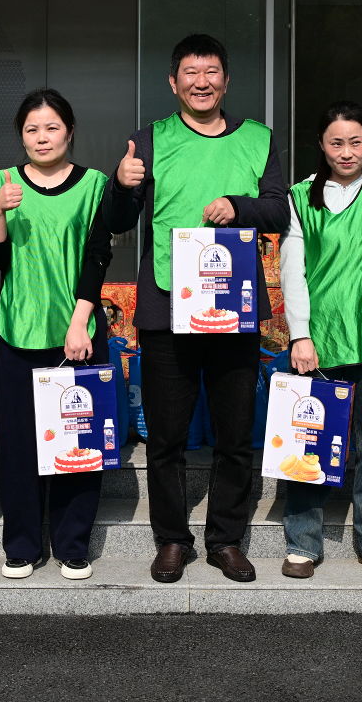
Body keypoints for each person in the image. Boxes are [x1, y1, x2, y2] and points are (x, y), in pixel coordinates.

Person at [104, 33, 289, 584]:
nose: (201, 82)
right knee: (166, 437)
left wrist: (239, 205)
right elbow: (117, 220)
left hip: (233, 305)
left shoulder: (257, 138)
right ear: (173, 82)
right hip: (166, 306)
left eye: (211, 73)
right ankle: (172, 540)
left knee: (235, 434)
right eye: (190, 73)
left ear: (226, 81)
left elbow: (278, 211)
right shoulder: (150, 140)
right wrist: (121, 185)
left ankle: (225, 540)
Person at [0, 89, 113, 581]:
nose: (42, 137)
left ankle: (72, 545)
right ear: (21, 135)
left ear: (69, 132)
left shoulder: (94, 184)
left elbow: (98, 254)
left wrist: (79, 322)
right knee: (18, 447)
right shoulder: (2, 182)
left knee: (78, 442)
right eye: (32, 129)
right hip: (19, 330)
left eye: (52, 127)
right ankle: (22, 545)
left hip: (78, 334)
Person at [278, 101, 362, 580]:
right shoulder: (299, 196)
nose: (347, 151)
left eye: (356, 141)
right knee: (307, 441)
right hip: (319, 340)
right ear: (321, 145)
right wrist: (300, 335)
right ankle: (302, 542)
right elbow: (293, 272)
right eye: (337, 142)